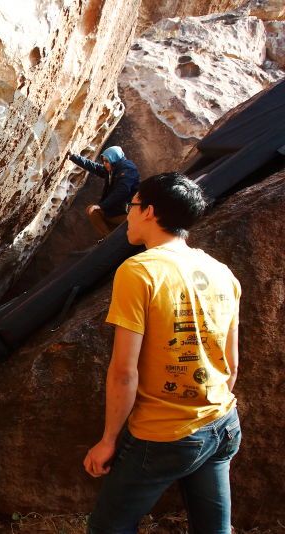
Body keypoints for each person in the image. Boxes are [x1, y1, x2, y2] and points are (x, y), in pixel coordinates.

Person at [84, 172, 242, 533]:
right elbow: (231, 365)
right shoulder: (221, 273)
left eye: (132, 205)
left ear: (149, 211)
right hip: (223, 424)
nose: (128, 214)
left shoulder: (139, 272)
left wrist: (108, 440)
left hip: (165, 434)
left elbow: (124, 371)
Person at [67, 146, 140, 237]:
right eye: (103, 161)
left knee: (96, 210)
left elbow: (122, 191)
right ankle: (108, 237)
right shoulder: (112, 169)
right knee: (92, 210)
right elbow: (95, 167)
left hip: (126, 213)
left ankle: (111, 239)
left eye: (106, 161)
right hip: (115, 210)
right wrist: (73, 157)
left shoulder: (128, 169)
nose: (104, 164)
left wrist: (100, 205)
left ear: (114, 159)